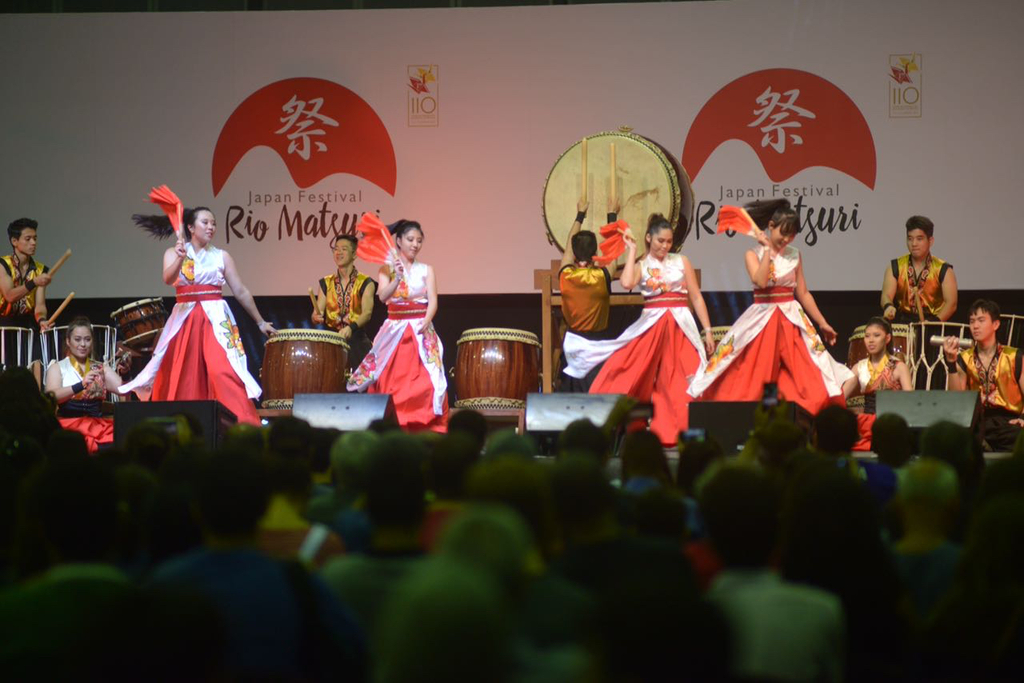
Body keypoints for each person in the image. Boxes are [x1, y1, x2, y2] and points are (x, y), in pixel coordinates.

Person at [688, 199, 853, 415]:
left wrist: (822, 323)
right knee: (752, 374)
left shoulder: (795, 254)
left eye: (792, 234)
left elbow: (802, 293)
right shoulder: (752, 254)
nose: (787, 239)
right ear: (770, 227)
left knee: (807, 375)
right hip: (762, 319)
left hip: (791, 319)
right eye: (783, 233)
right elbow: (761, 281)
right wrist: (766, 250)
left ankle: (803, 418)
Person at [563, 213, 714, 445]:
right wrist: (632, 250)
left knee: (688, 378)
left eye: (668, 242)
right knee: (628, 371)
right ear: (649, 238)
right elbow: (626, 283)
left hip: (681, 325)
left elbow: (695, 296)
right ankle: (626, 423)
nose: (665, 246)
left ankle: (683, 430)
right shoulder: (643, 265)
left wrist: (708, 330)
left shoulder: (681, 261)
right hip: (652, 325)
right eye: (660, 241)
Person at [120, 207, 276, 425]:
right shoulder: (173, 253)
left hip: (215, 320)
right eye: (205, 222)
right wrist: (179, 258)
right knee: (183, 373)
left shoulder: (222, 256)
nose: (211, 227)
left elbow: (240, 290)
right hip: (185, 318)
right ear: (190, 228)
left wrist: (259, 322)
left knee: (223, 371)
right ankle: (183, 426)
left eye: (213, 223)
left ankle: (241, 426)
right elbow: (168, 278)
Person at [347, 219, 448, 432]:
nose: (415, 244)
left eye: (419, 241)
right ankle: (393, 422)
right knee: (389, 377)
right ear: (399, 241)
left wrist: (427, 320)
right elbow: (383, 297)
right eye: (410, 239)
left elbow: (433, 301)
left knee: (426, 378)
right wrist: (397, 277)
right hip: (395, 328)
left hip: (420, 326)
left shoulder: (427, 269)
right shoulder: (387, 268)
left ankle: (425, 422)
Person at [944, 299, 1024, 451]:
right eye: (972, 321)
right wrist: (951, 363)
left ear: (996, 325)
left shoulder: (1014, 356)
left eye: (981, 320)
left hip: (1008, 422)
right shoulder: (964, 358)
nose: (975, 326)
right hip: (977, 422)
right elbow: (956, 397)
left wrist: (1022, 419)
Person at [558, 197, 620, 392]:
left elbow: (568, 250)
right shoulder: (601, 277)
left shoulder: (567, 276)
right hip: (598, 348)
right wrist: (612, 216)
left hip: (573, 348)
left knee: (574, 405)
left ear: (575, 255)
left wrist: (580, 215)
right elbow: (613, 253)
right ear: (595, 254)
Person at [43, 316, 123, 452]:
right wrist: (80, 385)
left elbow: (123, 389)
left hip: (97, 425)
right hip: (69, 424)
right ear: (68, 341)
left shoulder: (100, 367)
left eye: (87, 339)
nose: (83, 344)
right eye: (77, 339)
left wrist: (125, 372)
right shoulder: (57, 367)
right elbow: (52, 396)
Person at [843, 317, 913, 450]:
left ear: (887, 339)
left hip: (891, 425)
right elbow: (841, 396)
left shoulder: (899, 367)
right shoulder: (859, 367)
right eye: (867, 336)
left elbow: (911, 402)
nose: (870, 340)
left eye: (876, 335)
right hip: (867, 425)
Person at [311, 233, 376, 369]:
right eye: (336, 249)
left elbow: (367, 314)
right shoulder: (326, 283)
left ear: (354, 254)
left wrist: (350, 328)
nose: (338, 252)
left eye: (344, 249)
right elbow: (317, 312)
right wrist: (315, 316)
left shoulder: (365, 282)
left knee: (361, 385)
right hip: (332, 342)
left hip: (357, 341)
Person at [881, 215, 957, 323]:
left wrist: (934, 322)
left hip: (933, 324)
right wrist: (888, 306)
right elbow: (886, 295)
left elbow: (951, 304)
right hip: (904, 325)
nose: (914, 244)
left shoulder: (943, 270)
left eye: (919, 239)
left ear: (930, 241)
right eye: (910, 238)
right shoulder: (895, 266)